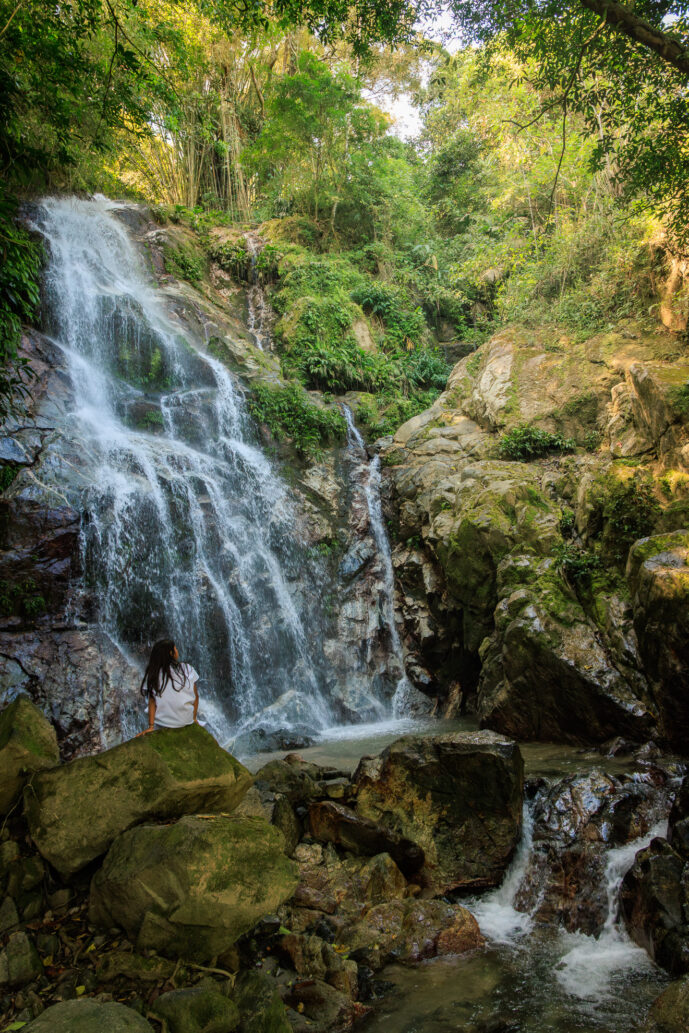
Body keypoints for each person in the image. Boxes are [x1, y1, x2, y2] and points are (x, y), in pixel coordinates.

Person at [136, 638, 199, 735]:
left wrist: (151, 726)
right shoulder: (187, 668)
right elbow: (196, 696)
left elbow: (152, 701)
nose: (177, 651)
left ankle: (154, 726)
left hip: (163, 723)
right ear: (171, 653)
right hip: (186, 721)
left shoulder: (153, 673)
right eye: (175, 649)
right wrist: (194, 718)